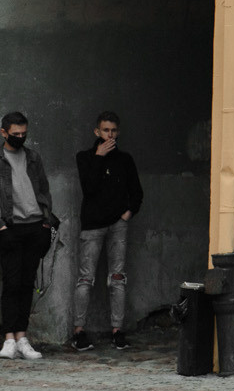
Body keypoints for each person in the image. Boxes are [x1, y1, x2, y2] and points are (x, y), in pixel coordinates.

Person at [71, 112, 143, 351]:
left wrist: (128, 213)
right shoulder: (85, 157)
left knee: (117, 279)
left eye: (113, 131)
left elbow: (137, 192)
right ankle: (78, 332)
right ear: (97, 132)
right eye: (105, 130)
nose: (109, 135)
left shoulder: (125, 159)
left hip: (117, 225)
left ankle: (117, 331)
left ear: (118, 132)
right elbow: (89, 188)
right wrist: (99, 157)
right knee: (85, 279)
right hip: (92, 225)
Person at [0, 113, 57, 361]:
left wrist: (45, 222)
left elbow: (44, 190)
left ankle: (22, 337)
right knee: (11, 284)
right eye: (16, 134)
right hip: (10, 228)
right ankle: (8, 339)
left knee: (26, 284)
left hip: (35, 227)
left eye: (24, 134)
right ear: (4, 132)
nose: (21, 137)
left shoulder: (33, 157)